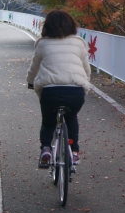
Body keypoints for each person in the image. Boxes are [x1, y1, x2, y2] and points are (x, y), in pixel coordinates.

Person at [27, 9, 91, 168]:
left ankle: (46, 150)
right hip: (75, 91)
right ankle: (75, 152)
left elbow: (34, 68)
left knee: (48, 123)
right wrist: (85, 81)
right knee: (71, 117)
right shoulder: (79, 43)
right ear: (71, 25)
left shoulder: (42, 43)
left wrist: (30, 82)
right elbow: (86, 68)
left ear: (47, 26)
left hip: (50, 92)